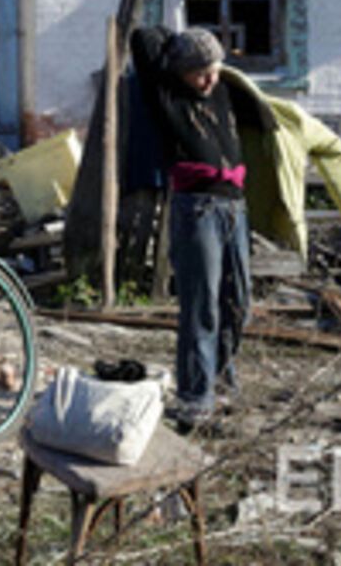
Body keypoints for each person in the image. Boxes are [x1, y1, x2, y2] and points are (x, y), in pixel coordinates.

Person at [129, 25, 255, 429]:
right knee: (202, 306)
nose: (209, 80)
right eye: (200, 72)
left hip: (234, 206)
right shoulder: (165, 94)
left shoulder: (220, 92)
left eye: (214, 69)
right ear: (179, 70)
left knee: (239, 302)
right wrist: (183, 47)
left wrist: (205, 56)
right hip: (197, 209)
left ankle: (220, 381)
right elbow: (143, 39)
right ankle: (195, 399)